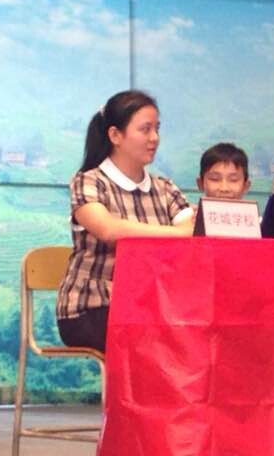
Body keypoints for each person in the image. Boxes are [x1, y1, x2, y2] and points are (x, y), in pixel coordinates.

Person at [57, 90, 194, 352]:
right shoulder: (88, 181)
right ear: (115, 135)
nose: (154, 138)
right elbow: (109, 229)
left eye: (157, 129)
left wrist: (188, 230)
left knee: (195, 333)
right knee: (161, 342)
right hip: (93, 307)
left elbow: (192, 228)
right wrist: (178, 233)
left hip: (150, 308)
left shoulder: (165, 188)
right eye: (145, 129)